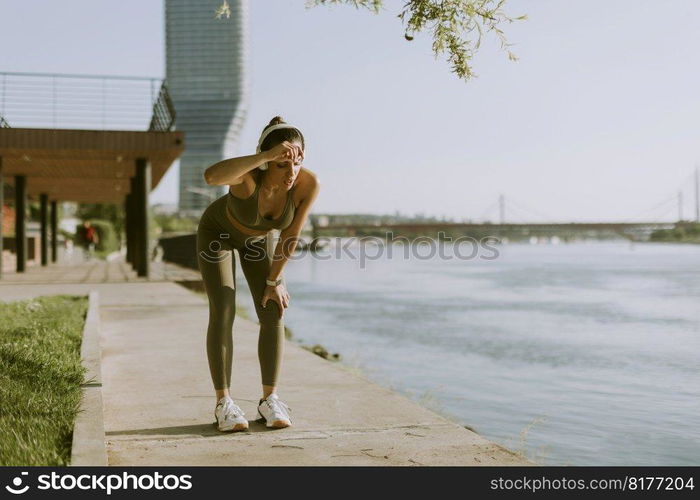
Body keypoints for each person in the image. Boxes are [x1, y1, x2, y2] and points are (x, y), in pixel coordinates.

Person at [199, 116, 320, 432]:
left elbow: (290, 235)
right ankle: (223, 403)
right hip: (218, 235)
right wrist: (265, 157)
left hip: (257, 242)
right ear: (267, 163)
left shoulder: (307, 184)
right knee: (224, 308)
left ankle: (270, 399)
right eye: (282, 164)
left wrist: (274, 281)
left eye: (297, 161)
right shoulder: (248, 178)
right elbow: (211, 176)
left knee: (272, 309)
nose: (291, 172)